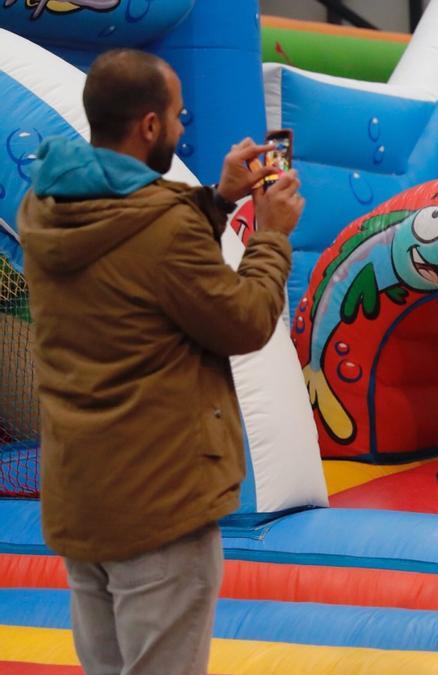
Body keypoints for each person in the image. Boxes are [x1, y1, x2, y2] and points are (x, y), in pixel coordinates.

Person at [18, 49, 303, 674]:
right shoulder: (162, 227)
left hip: (83, 494)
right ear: (149, 126)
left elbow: (141, 258)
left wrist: (217, 199)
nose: (182, 127)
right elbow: (247, 320)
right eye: (176, 116)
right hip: (159, 500)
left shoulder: (45, 205)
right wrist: (272, 237)